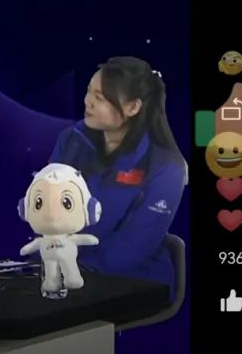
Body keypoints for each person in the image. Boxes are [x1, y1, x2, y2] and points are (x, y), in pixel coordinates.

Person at [48, 56, 186, 290]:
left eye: (100, 97)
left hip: (133, 280)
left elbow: (136, 244)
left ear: (133, 107)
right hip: (64, 270)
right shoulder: (70, 141)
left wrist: (80, 269)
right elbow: (46, 208)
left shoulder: (166, 166)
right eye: (89, 91)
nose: (88, 102)